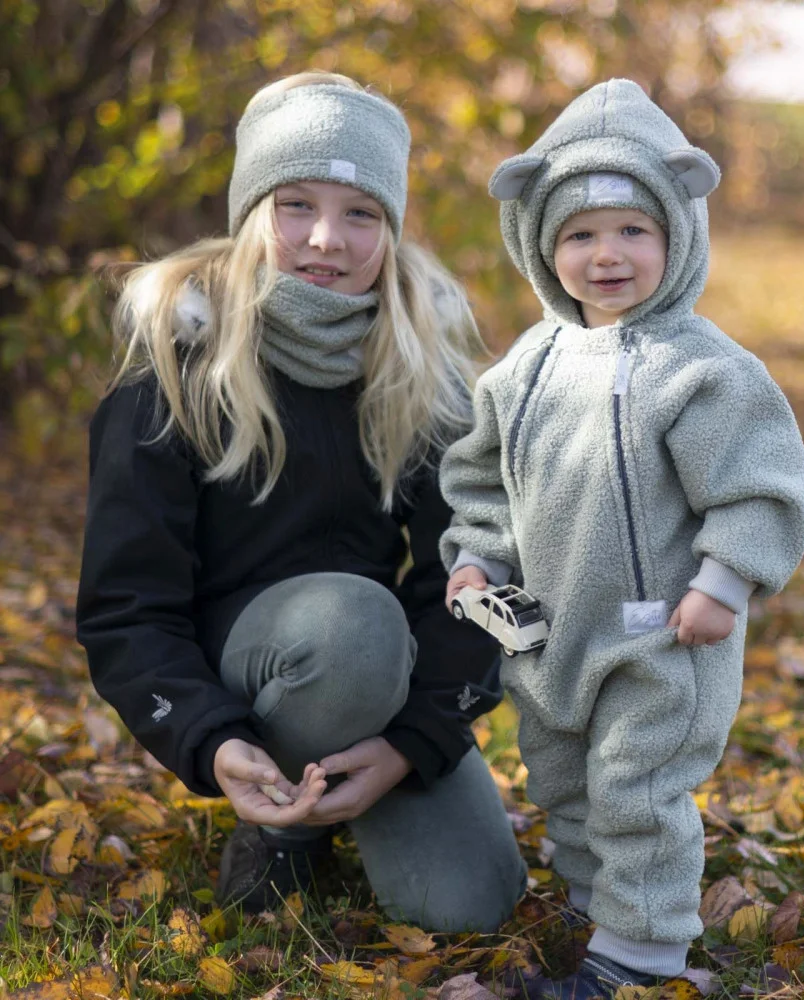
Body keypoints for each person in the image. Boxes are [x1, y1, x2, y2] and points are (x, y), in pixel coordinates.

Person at [76, 71, 526, 930]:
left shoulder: (427, 376)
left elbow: (487, 577)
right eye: (295, 204)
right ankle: (280, 832)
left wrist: (412, 745)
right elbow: (126, 609)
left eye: (362, 213)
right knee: (351, 624)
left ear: (391, 230)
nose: (327, 239)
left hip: (378, 679)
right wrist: (212, 738)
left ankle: (350, 791)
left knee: (467, 910)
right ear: (251, 212)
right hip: (244, 668)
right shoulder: (175, 368)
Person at [440, 79, 804, 997]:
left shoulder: (703, 368)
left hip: (662, 635)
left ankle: (640, 958)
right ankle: (593, 906)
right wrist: (479, 558)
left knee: (635, 790)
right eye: (578, 234)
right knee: (563, 778)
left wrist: (724, 583)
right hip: (544, 629)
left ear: (677, 235)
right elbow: (484, 481)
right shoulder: (525, 368)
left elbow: (758, 485)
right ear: (541, 245)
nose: (606, 255)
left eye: (632, 231)